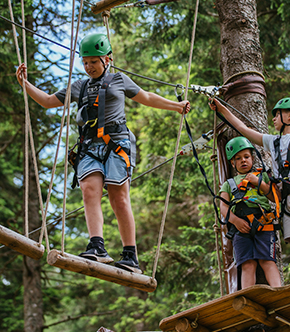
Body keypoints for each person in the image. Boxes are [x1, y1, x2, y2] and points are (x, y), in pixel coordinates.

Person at [16, 33, 190, 274]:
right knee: (89, 191)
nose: (89, 67)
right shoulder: (79, 86)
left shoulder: (120, 80)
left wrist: (176, 106)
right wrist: (24, 83)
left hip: (116, 143)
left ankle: (130, 254)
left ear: (107, 59)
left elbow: (146, 97)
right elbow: (47, 101)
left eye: (93, 62)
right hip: (89, 146)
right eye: (85, 62)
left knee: (118, 197)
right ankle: (97, 245)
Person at [210, 97, 290, 282]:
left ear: (289, 115)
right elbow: (244, 130)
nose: (273, 119)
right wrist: (221, 109)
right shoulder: (273, 141)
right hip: (287, 200)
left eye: (276, 115)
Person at [219, 136, 281, 288]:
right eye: (238, 158)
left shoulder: (262, 176)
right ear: (232, 163)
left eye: (246, 157)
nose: (243, 161)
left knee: (267, 260)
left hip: (263, 223)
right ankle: (249, 296)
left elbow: (275, 197)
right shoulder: (229, 184)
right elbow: (223, 207)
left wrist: (258, 183)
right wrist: (235, 221)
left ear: (253, 158)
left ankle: (279, 290)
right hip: (240, 228)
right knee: (247, 264)